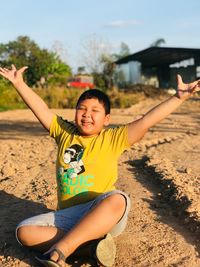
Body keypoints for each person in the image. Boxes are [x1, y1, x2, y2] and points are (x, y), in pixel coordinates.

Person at [0, 65, 199, 267]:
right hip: (70, 216)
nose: (87, 114)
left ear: (106, 119)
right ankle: (91, 247)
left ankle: (61, 251)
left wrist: (179, 97)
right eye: (82, 109)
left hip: (102, 215)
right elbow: (41, 108)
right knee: (23, 232)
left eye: (95, 111)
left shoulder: (113, 138)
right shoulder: (64, 132)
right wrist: (19, 83)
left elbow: (148, 119)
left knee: (118, 199)